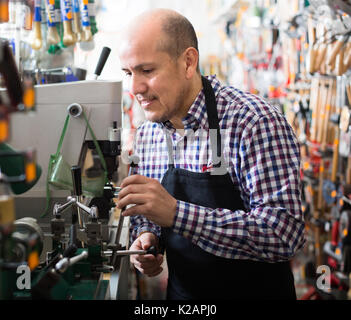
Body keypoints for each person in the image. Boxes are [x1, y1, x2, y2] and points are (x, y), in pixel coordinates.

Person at [117, 8, 305, 300]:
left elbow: (283, 235)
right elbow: (148, 214)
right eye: (128, 73)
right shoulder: (148, 134)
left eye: (147, 71)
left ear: (188, 62)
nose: (135, 88)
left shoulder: (252, 122)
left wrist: (178, 214)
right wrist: (147, 239)